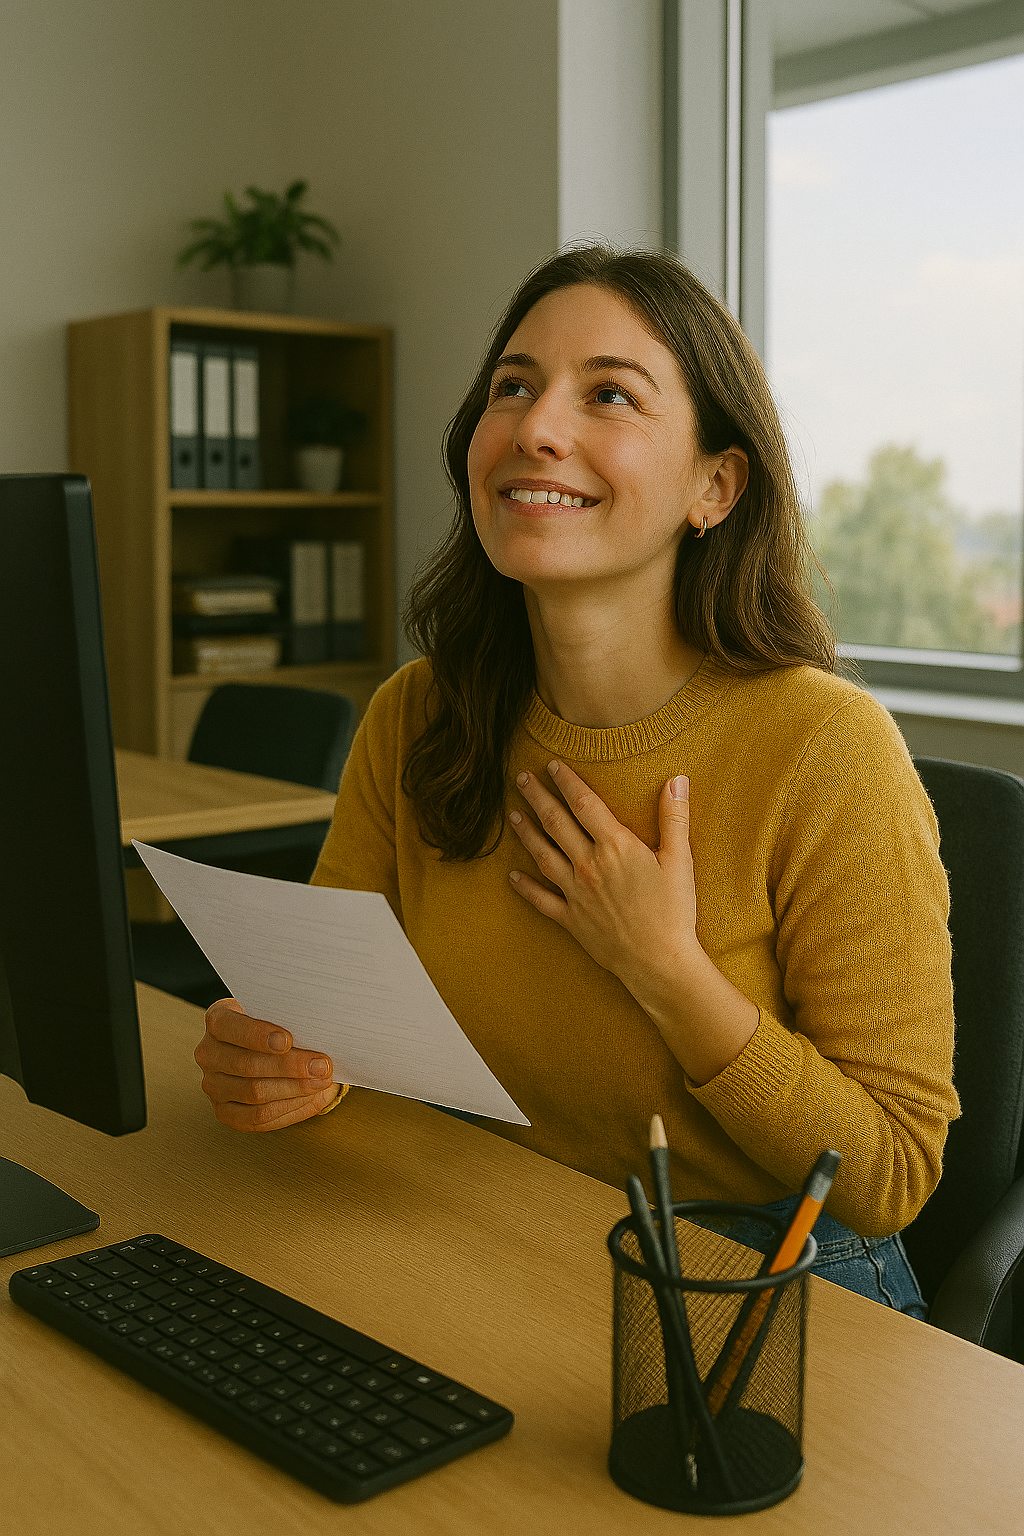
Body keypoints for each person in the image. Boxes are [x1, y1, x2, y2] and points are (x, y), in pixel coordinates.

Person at [195, 246, 958, 1315]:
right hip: (499, 1227)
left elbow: (888, 1177)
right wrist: (283, 1062)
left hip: (766, 1282)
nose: (535, 428)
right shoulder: (417, 715)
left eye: (608, 394)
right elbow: (331, 1026)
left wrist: (664, 968)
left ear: (713, 486)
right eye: (513, 386)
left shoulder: (826, 748)